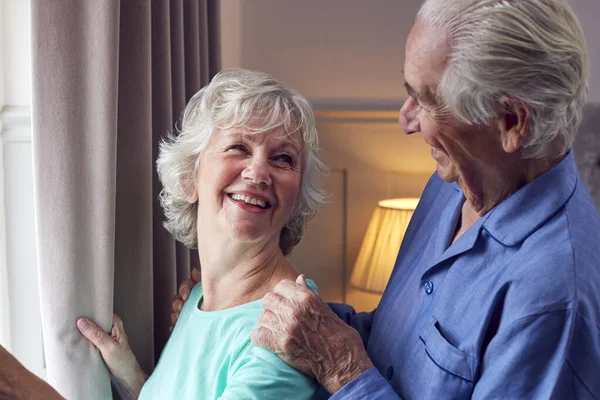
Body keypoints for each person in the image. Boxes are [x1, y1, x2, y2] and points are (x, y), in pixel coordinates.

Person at [173, 0, 600, 398]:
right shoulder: (455, 181)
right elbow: (399, 345)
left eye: (427, 101)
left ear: (510, 121)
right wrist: (236, 313)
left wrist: (344, 369)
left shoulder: (554, 301)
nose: (405, 120)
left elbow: (357, 364)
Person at [75, 68, 327, 399]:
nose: (258, 172)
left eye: (282, 159)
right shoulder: (197, 298)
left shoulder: (289, 327)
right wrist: (130, 374)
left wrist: (21, 388)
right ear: (189, 177)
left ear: (296, 197)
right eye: (239, 147)